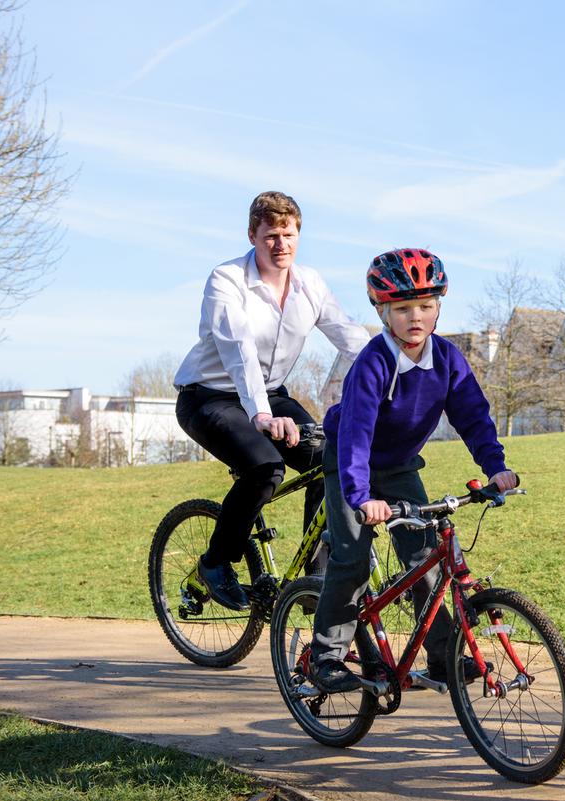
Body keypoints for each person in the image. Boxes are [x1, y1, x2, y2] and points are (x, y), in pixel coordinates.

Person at [308, 247, 518, 694]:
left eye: (425, 305)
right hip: (349, 466)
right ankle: (325, 658)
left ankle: (443, 659)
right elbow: (357, 434)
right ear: (384, 312)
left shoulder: (446, 359)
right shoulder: (374, 363)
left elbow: (474, 417)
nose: (415, 316)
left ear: (439, 306)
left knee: (426, 562)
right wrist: (362, 497)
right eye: (403, 308)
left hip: (400, 466)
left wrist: (496, 467)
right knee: (350, 560)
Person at [174, 191, 370, 611]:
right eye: (270, 236)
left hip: (272, 395)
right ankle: (215, 562)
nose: (280, 244)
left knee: (328, 458)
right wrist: (260, 414)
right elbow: (238, 349)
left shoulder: (309, 284)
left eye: (288, 233)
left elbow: (349, 336)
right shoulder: (226, 280)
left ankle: (316, 577)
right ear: (252, 235)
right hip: (209, 398)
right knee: (265, 468)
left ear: (299, 234)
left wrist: (397, 371)